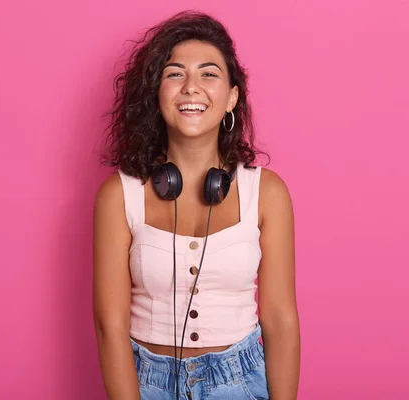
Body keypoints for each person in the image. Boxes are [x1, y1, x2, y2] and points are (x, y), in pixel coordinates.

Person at [93, 10, 300, 400]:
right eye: (175, 74)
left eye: (208, 74)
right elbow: (110, 325)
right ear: (157, 94)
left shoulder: (267, 193)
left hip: (239, 382)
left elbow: (280, 319)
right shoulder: (118, 195)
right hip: (146, 383)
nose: (192, 87)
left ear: (232, 97)